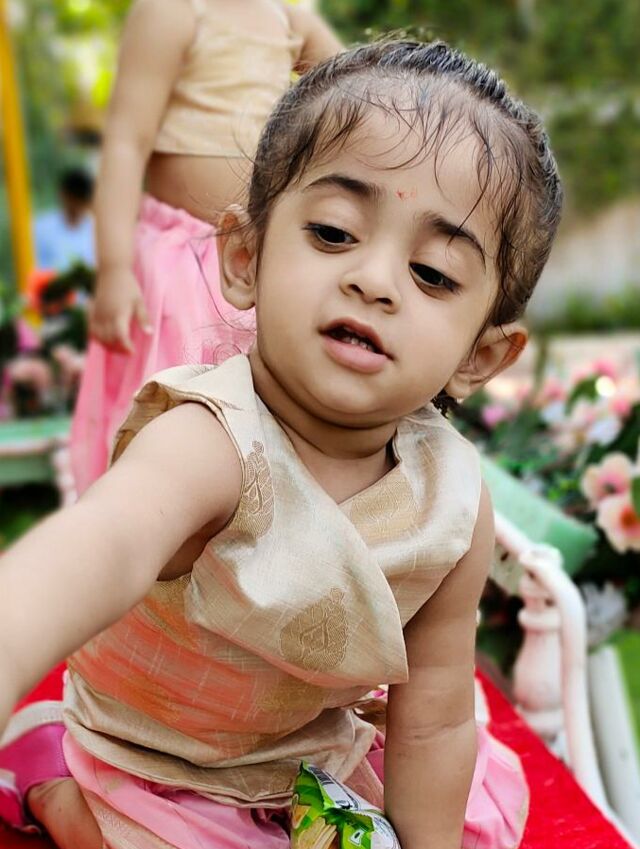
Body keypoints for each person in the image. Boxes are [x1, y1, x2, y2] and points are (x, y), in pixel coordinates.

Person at [0, 40, 562, 849]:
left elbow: (434, 717)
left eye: (433, 274)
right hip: (159, 758)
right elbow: (99, 548)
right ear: (245, 257)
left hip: (305, 758)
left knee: (472, 814)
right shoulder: (212, 440)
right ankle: (54, 772)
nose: (374, 280)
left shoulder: (450, 501)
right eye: (333, 232)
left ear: (481, 355)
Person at [70, 0, 342, 494]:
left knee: (251, 408)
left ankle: (239, 511)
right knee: (173, 402)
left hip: (250, 259)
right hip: (177, 260)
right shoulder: (174, 11)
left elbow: (360, 88)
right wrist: (113, 269)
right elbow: (127, 142)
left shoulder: (286, 17)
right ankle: (150, 511)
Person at [33, 167, 95, 273]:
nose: (77, 205)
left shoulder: (96, 230)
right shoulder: (41, 228)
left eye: (83, 200)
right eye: (75, 198)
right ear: (64, 195)